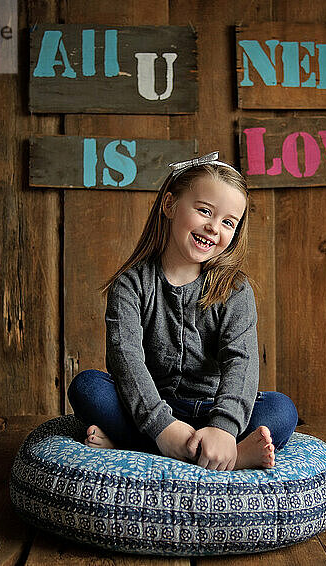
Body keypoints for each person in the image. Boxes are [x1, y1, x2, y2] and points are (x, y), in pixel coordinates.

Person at [67, 151, 298, 471]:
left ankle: (153, 446)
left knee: (282, 410)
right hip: (149, 408)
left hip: (211, 410)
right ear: (170, 205)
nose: (213, 227)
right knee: (88, 387)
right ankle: (218, 456)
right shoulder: (131, 285)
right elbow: (126, 359)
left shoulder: (234, 289)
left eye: (228, 222)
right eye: (204, 210)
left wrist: (224, 427)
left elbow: (241, 361)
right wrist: (162, 425)